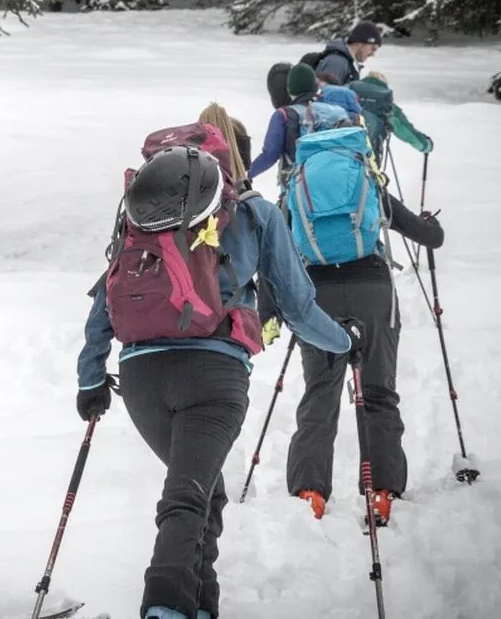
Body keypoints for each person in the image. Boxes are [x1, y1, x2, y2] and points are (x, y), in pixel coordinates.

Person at [75, 112, 358, 619]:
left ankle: (199, 608)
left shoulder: (144, 216)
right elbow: (296, 308)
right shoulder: (254, 213)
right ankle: (164, 606)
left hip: (141, 378)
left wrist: (91, 378)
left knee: (207, 492)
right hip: (214, 376)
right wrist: (344, 343)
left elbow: (107, 298)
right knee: (187, 496)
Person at [283, 160, 446, 525]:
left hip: (317, 294)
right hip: (373, 291)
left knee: (321, 391)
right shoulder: (365, 181)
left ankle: (310, 493)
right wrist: (430, 224)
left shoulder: (298, 186)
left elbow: (279, 242)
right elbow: (430, 238)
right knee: (377, 392)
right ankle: (382, 491)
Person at [247, 64, 352, 190]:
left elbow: (270, 155)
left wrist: (247, 174)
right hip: (336, 185)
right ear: (315, 87)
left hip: (297, 189)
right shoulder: (334, 113)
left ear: (290, 89)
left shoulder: (284, 115)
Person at [347, 70, 434, 164]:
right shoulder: (387, 106)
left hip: (336, 151)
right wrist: (426, 145)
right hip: (367, 159)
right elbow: (407, 132)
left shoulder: (345, 94)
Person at [314, 20, 383, 85]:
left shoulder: (347, 62)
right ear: (359, 42)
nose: (373, 54)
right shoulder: (338, 63)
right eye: (372, 48)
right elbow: (327, 95)